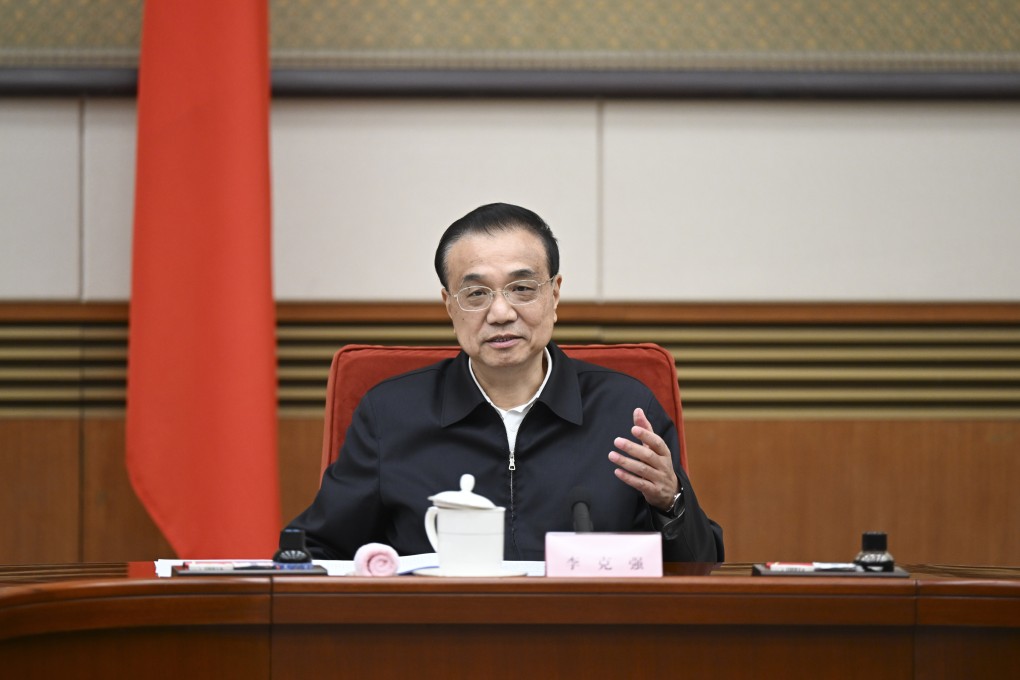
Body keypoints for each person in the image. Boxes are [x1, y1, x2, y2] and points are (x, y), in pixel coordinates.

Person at [287, 203, 723, 561]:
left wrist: (672, 501)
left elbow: (700, 568)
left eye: (522, 288)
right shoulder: (391, 414)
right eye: (476, 293)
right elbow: (312, 551)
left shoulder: (625, 409)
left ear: (554, 294)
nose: (500, 313)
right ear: (449, 305)